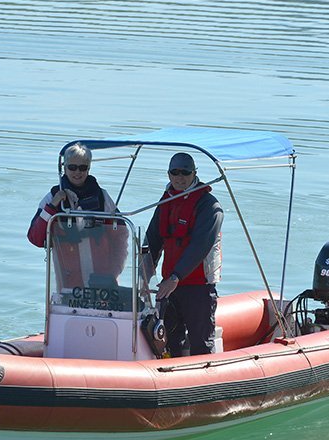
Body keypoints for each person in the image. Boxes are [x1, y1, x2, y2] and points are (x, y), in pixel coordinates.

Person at [144, 152, 223, 356]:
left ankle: (203, 382)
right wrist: (143, 276)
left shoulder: (209, 206)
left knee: (200, 343)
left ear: (194, 173)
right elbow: (152, 238)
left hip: (198, 287)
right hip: (169, 286)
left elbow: (200, 245)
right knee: (167, 341)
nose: (180, 177)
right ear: (168, 174)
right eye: (175, 172)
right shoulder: (166, 201)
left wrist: (176, 277)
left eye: (185, 172)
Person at [27, 142, 126, 291]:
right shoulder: (52, 199)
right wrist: (52, 207)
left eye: (82, 167)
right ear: (64, 168)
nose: (77, 172)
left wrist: (113, 272)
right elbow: (36, 238)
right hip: (68, 285)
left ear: (89, 168)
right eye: (72, 167)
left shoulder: (102, 198)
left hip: (103, 284)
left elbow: (121, 237)